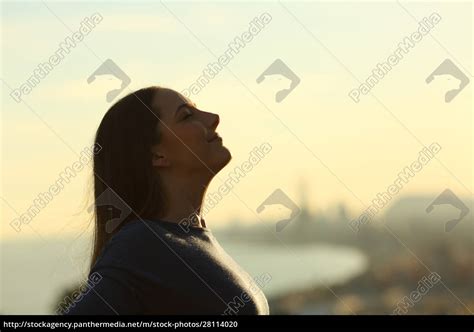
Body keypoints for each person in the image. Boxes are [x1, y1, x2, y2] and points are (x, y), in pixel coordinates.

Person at [62, 86, 269, 315]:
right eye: (187, 116)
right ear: (157, 155)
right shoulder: (140, 246)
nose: (213, 119)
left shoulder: (188, 239)